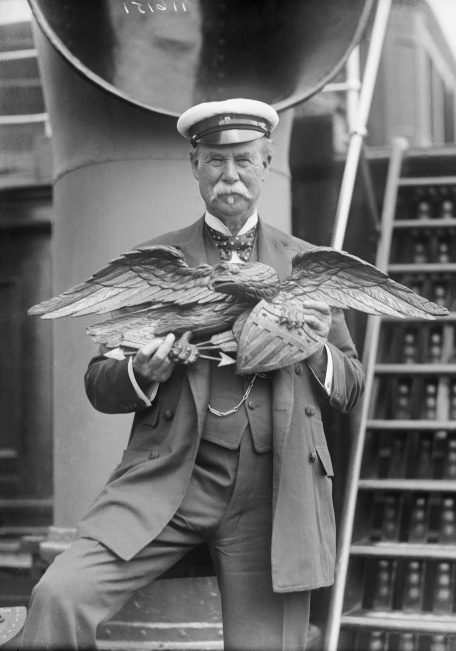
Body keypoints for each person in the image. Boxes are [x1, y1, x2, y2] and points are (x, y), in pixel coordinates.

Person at [19, 98, 365, 651]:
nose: (230, 175)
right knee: (59, 594)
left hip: (274, 494)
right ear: (195, 165)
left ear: (266, 162)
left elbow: (350, 386)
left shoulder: (307, 263)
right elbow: (98, 382)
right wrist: (140, 371)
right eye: (216, 161)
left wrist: (315, 347)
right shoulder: (157, 260)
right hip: (171, 478)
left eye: (244, 160)